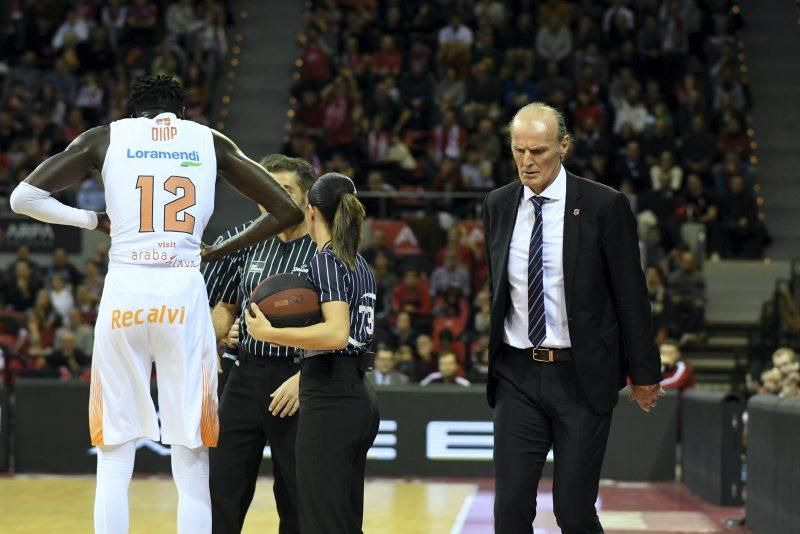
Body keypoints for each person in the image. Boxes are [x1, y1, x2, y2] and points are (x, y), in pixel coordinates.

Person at [9, 75, 304, 534]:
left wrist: (93, 219)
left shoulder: (107, 136)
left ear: (133, 112)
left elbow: (23, 198)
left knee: (114, 455)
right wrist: (217, 251)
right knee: (191, 458)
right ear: (181, 112)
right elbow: (287, 211)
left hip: (125, 293)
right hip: (183, 296)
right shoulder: (209, 141)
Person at [482, 103, 663, 533]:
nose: (527, 162)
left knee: (573, 511)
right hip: (517, 374)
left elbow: (631, 295)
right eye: (518, 150)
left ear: (564, 147)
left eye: (539, 151)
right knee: (508, 510)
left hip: (581, 378)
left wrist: (644, 374)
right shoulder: (498, 204)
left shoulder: (604, 205)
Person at [245, 172, 379, 534]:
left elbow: (336, 333)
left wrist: (271, 333)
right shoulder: (359, 263)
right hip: (359, 394)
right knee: (345, 519)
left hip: (330, 394)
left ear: (312, 211)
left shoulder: (325, 260)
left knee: (320, 520)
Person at [201, 154, 317, 534]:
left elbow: (345, 326)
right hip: (245, 375)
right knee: (221, 486)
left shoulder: (325, 250)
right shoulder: (246, 242)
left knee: (297, 495)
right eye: (268, 189)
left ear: (307, 198)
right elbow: (224, 306)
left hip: (297, 380)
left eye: (285, 190)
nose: (274, 197)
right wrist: (219, 331)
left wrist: (306, 376)